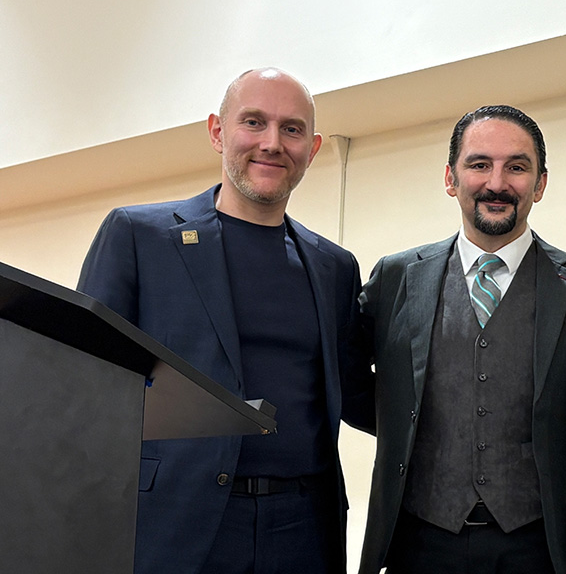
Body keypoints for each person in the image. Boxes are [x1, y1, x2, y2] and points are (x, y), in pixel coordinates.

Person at [77, 67, 373, 574]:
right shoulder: (138, 236)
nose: (272, 143)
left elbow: (354, 392)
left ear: (314, 147)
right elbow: (85, 380)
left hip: (305, 527)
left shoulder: (335, 267)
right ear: (217, 131)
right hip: (175, 521)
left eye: (292, 129)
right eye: (253, 122)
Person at [357, 105, 566, 574]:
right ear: (451, 178)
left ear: (540, 183)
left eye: (516, 166)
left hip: (539, 545)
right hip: (420, 539)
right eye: (479, 164)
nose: (497, 182)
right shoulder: (396, 278)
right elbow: (350, 381)